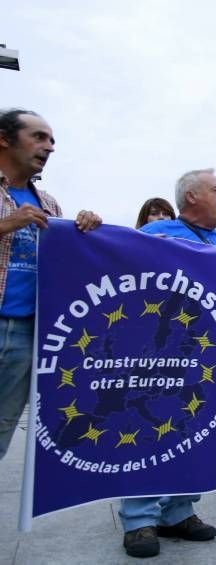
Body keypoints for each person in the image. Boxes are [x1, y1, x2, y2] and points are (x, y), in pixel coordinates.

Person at [126, 169, 216, 558]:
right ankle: (138, 520)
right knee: (150, 429)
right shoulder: (155, 234)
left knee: (194, 429)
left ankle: (179, 511)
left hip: (202, 353)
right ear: (191, 198)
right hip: (155, 351)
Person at [0, 109, 102, 462]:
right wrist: (6, 224)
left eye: (53, 141)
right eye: (39, 137)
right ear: (4, 138)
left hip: (29, 333)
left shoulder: (49, 204)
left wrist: (86, 231)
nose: (49, 147)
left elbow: (68, 264)